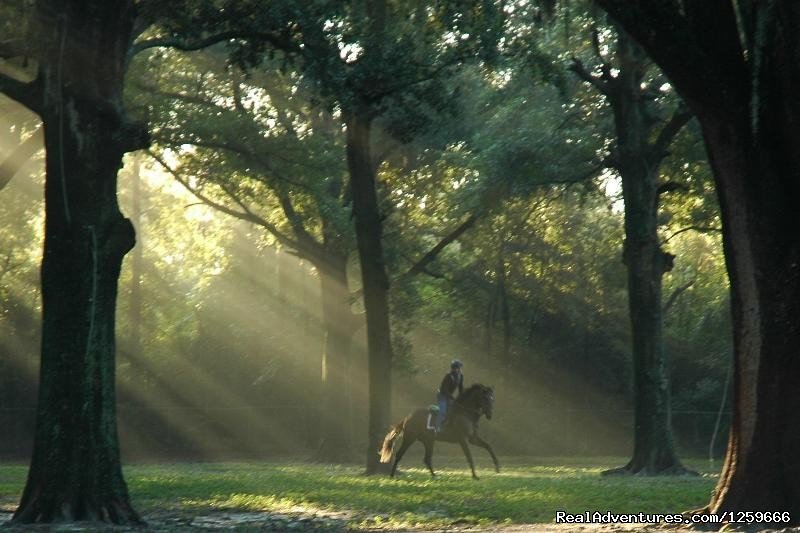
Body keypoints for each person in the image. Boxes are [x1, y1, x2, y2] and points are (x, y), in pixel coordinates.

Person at [435, 359, 464, 432]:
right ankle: (436, 428)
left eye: (460, 368)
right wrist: (452, 397)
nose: (460, 369)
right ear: (455, 368)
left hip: (449, 397)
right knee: (443, 411)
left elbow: (461, 389)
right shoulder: (448, 376)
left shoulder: (460, 376)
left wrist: (462, 398)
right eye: (459, 368)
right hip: (442, 395)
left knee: (455, 410)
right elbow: (444, 390)